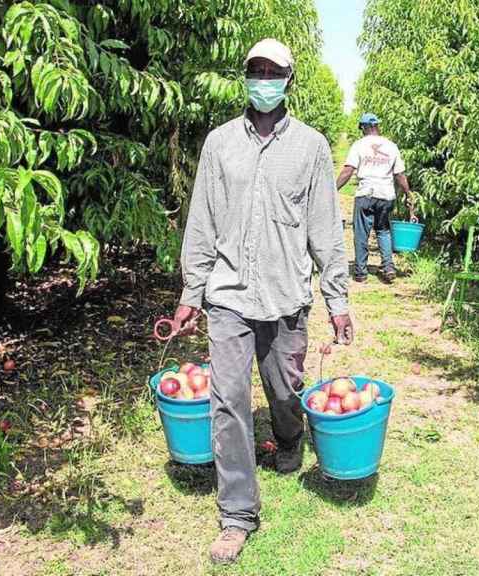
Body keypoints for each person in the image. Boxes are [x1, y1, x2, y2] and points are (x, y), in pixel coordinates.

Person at [167, 38, 354, 565]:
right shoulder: (220, 143)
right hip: (228, 296)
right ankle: (238, 515)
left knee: (284, 389)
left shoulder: (313, 147)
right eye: (256, 70)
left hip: (287, 294)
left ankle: (290, 440)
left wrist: (337, 299)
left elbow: (325, 228)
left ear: (289, 79)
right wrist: (191, 293)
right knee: (227, 401)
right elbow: (201, 221)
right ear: (245, 76)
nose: (264, 78)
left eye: (274, 71)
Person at [335, 113, 415, 284]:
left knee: (361, 232)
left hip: (366, 193)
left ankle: (360, 273)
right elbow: (399, 174)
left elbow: (348, 170)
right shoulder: (391, 146)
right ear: (377, 126)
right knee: (383, 230)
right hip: (386, 195)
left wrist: (333, 189)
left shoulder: (359, 145)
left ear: (364, 128)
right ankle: (388, 267)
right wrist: (408, 193)